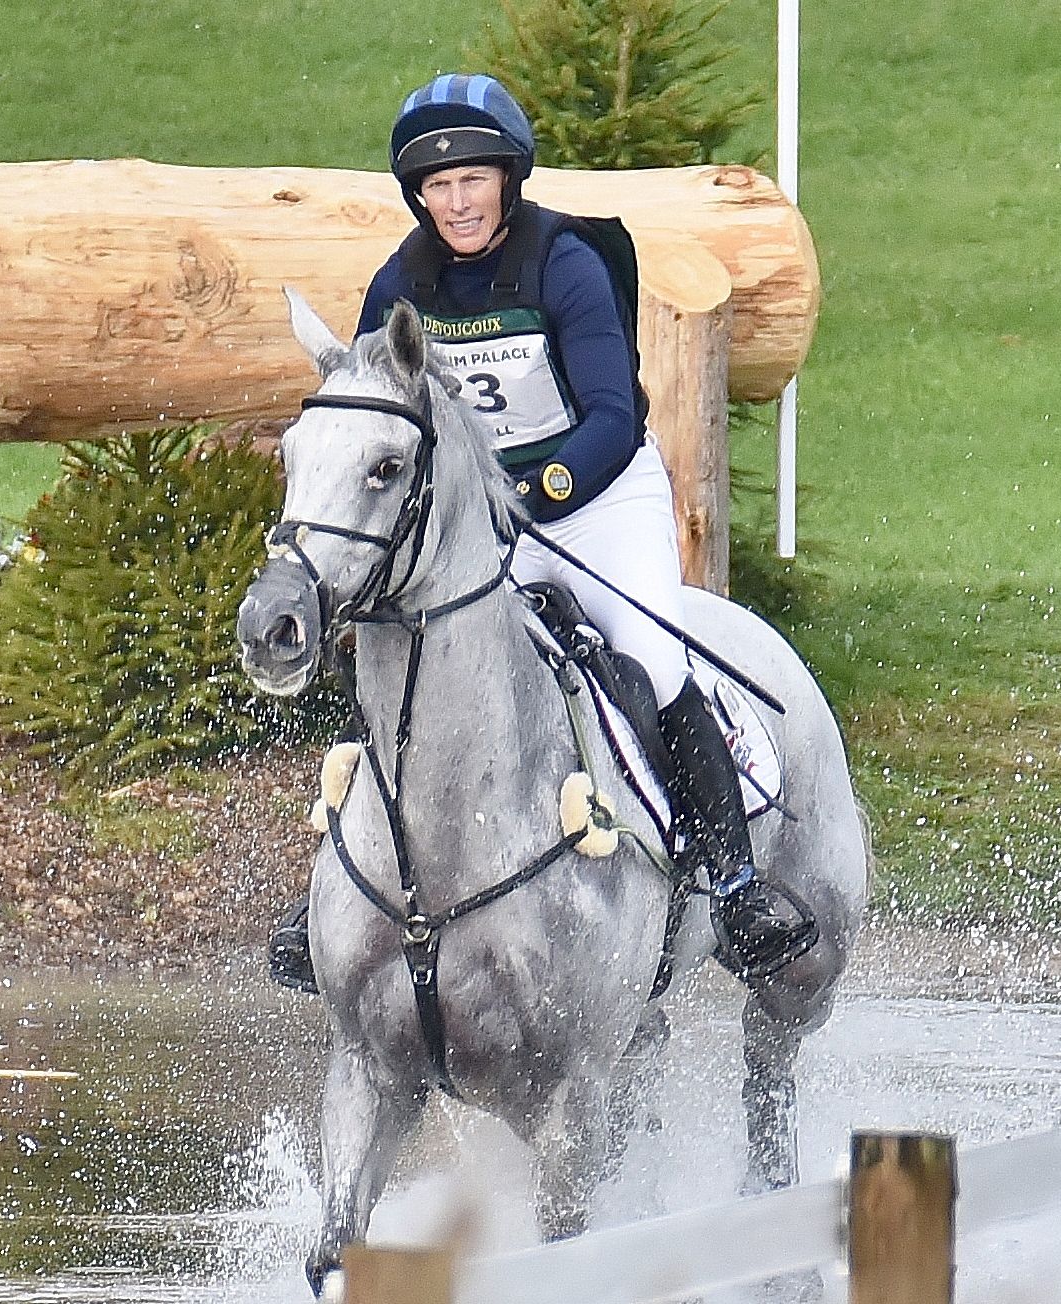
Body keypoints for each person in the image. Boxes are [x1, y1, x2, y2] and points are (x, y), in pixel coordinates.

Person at [268, 73, 815, 992]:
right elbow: (371, 408)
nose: (456, 202)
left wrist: (530, 493)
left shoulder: (564, 263)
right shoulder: (401, 282)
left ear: (507, 178)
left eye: (472, 180)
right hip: (472, 522)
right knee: (400, 658)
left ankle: (733, 883)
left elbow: (610, 414)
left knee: (649, 654)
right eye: (437, 187)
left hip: (595, 496)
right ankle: (340, 889)